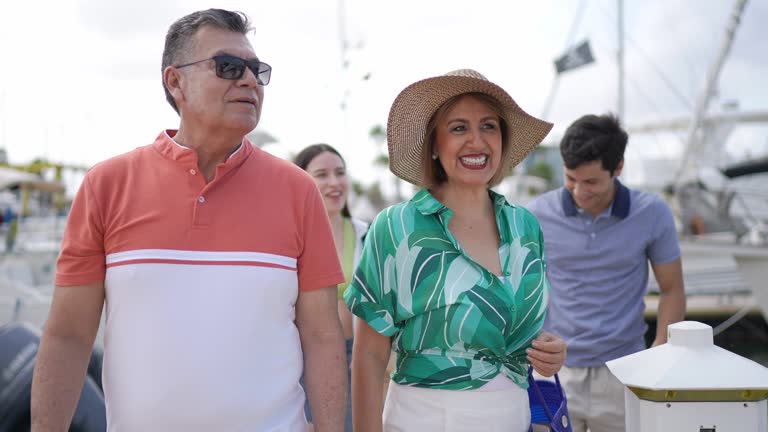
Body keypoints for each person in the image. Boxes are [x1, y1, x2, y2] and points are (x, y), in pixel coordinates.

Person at [31, 9, 347, 432]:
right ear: (174, 81)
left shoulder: (299, 191)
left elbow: (323, 337)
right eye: (229, 67)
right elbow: (69, 336)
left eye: (257, 70)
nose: (250, 81)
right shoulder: (105, 185)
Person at [344, 69, 567, 432]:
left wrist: (550, 353)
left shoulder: (527, 227)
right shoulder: (396, 227)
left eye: (489, 126)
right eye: (459, 128)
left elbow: (520, 330)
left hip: (514, 416)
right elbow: (369, 354)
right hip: (425, 420)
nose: (476, 141)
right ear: (434, 145)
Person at [526, 114, 686, 432]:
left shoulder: (652, 213)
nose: (577, 191)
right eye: (570, 178)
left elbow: (672, 289)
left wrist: (661, 352)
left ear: (618, 168)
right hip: (553, 372)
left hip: (625, 372)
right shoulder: (535, 214)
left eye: (591, 182)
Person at [294, 143, 368, 432]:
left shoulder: (367, 235)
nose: (334, 183)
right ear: (302, 181)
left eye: (340, 173)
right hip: (306, 362)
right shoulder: (292, 239)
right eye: (322, 174)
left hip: (358, 360)